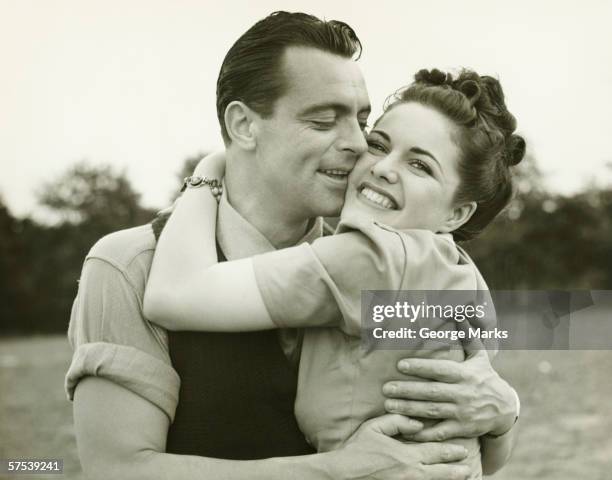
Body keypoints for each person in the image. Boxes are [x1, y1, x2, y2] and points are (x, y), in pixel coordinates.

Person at [66, 11, 519, 480]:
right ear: (243, 125)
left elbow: (463, 447)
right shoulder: (128, 265)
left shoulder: (375, 263)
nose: (358, 145)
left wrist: (502, 413)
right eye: (325, 121)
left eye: (362, 122)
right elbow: (117, 470)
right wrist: (337, 470)